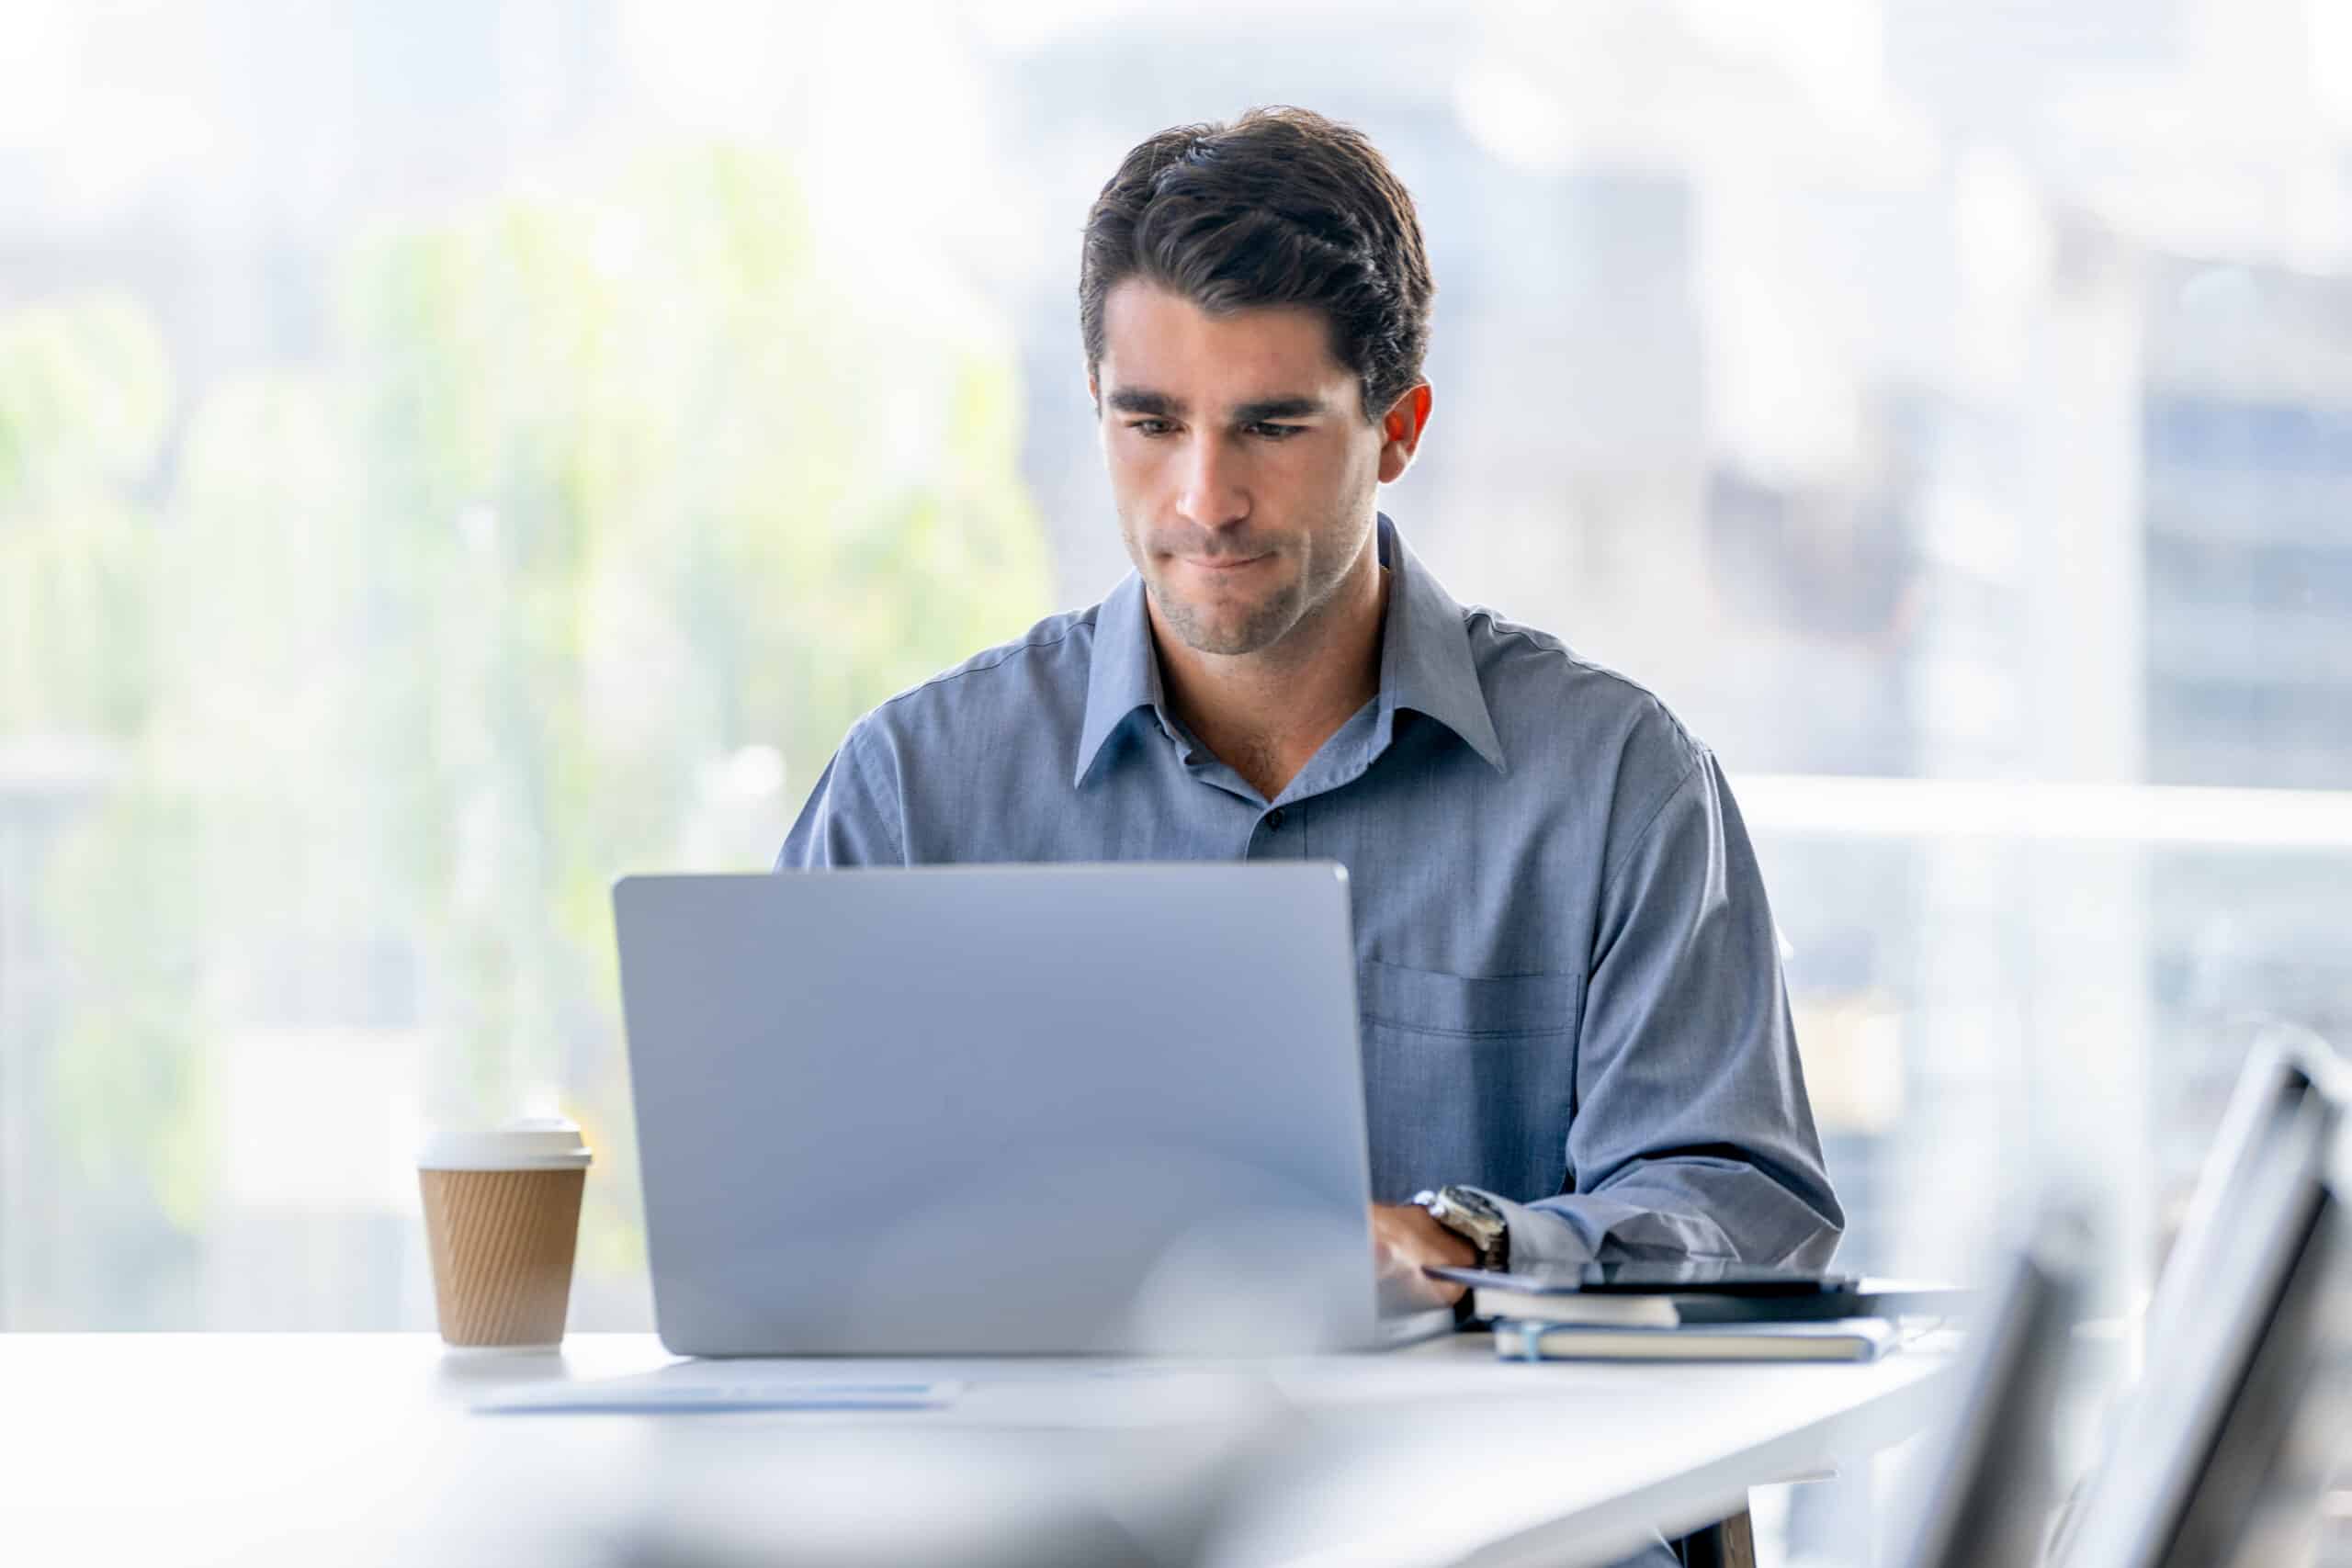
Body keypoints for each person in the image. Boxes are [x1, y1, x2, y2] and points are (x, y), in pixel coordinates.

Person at [780, 105, 1840, 1315]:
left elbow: (1748, 1216)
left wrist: (1466, 1246)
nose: (1205, 497)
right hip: (1056, 1495)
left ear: (1398, 428)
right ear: (1096, 406)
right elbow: (781, 1221)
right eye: (1152, 422)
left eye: (1271, 427)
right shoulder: (914, 790)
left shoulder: (1613, 786)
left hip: (1504, 1493)